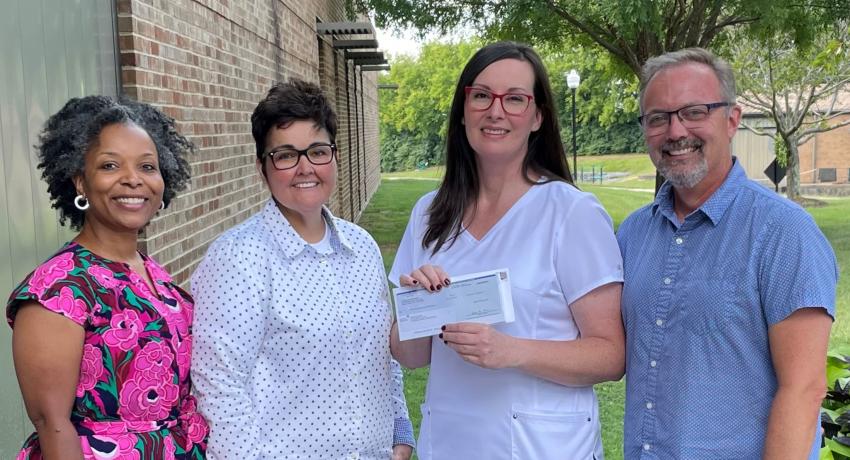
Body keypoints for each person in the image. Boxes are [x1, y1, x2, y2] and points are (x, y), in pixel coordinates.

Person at [390, 41, 625, 459]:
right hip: (452, 443)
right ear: (463, 110)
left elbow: (610, 354)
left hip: (545, 447)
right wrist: (416, 305)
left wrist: (512, 351)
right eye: (481, 95)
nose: (495, 111)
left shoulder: (571, 213)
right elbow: (409, 357)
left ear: (537, 117)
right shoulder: (429, 213)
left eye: (514, 99)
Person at [618, 47, 838, 459]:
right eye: (658, 118)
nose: (675, 131)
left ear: (732, 119)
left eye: (694, 111)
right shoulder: (634, 234)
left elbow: (804, 388)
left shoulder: (784, 232)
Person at [190, 79, 415, 459]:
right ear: (263, 168)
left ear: (335, 156)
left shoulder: (361, 247)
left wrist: (400, 435)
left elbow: (381, 358)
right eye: (286, 155)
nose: (305, 167)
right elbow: (219, 388)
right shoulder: (238, 258)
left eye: (317, 151)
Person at [7, 96, 209, 459]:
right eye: (110, 165)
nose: (133, 180)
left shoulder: (153, 275)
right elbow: (52, 425)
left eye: (148, 167)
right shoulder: (59, 288)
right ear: (80, 182)